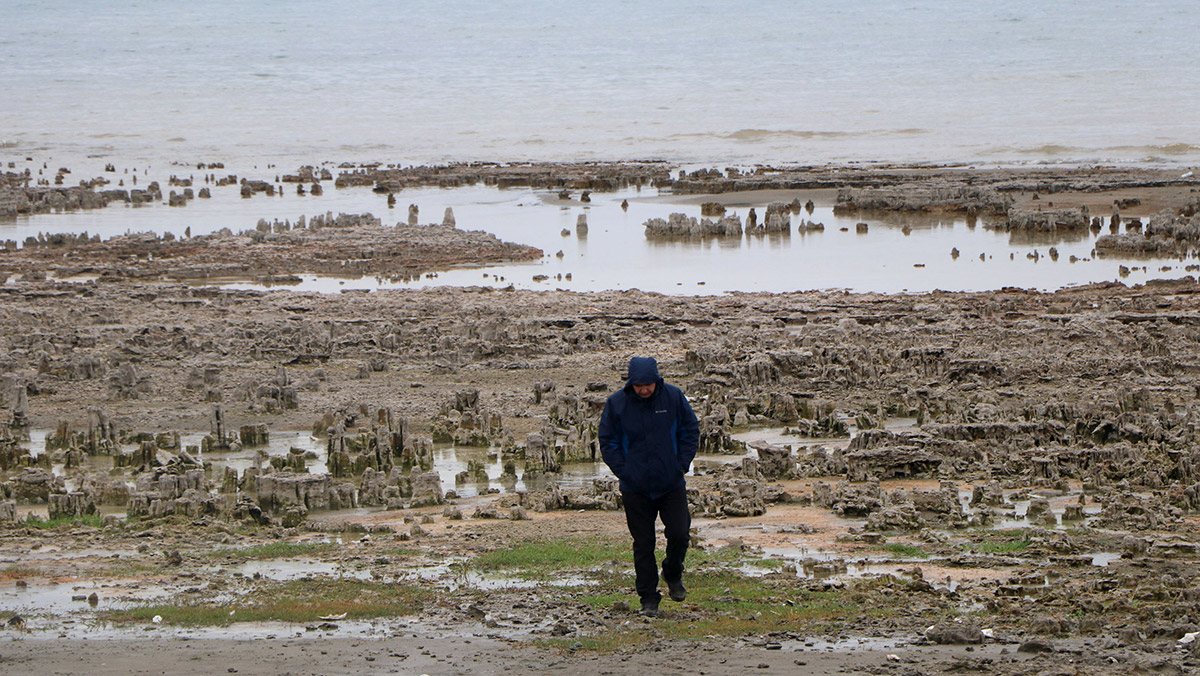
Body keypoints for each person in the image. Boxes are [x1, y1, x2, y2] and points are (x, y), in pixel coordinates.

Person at [598, 356, 699, 617]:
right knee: (643, 544)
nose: (644, 390)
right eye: (639, 385)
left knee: (679, 534)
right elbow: (607, 440)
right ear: (630, 382)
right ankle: (648, 598)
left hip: (670, 483)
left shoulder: (674, 397)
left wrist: (681, 465)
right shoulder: (616, 403)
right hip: (635, 487)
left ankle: (673, 572)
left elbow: (690, 430)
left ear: (657, 381)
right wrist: (624, 470)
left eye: (648, 385)